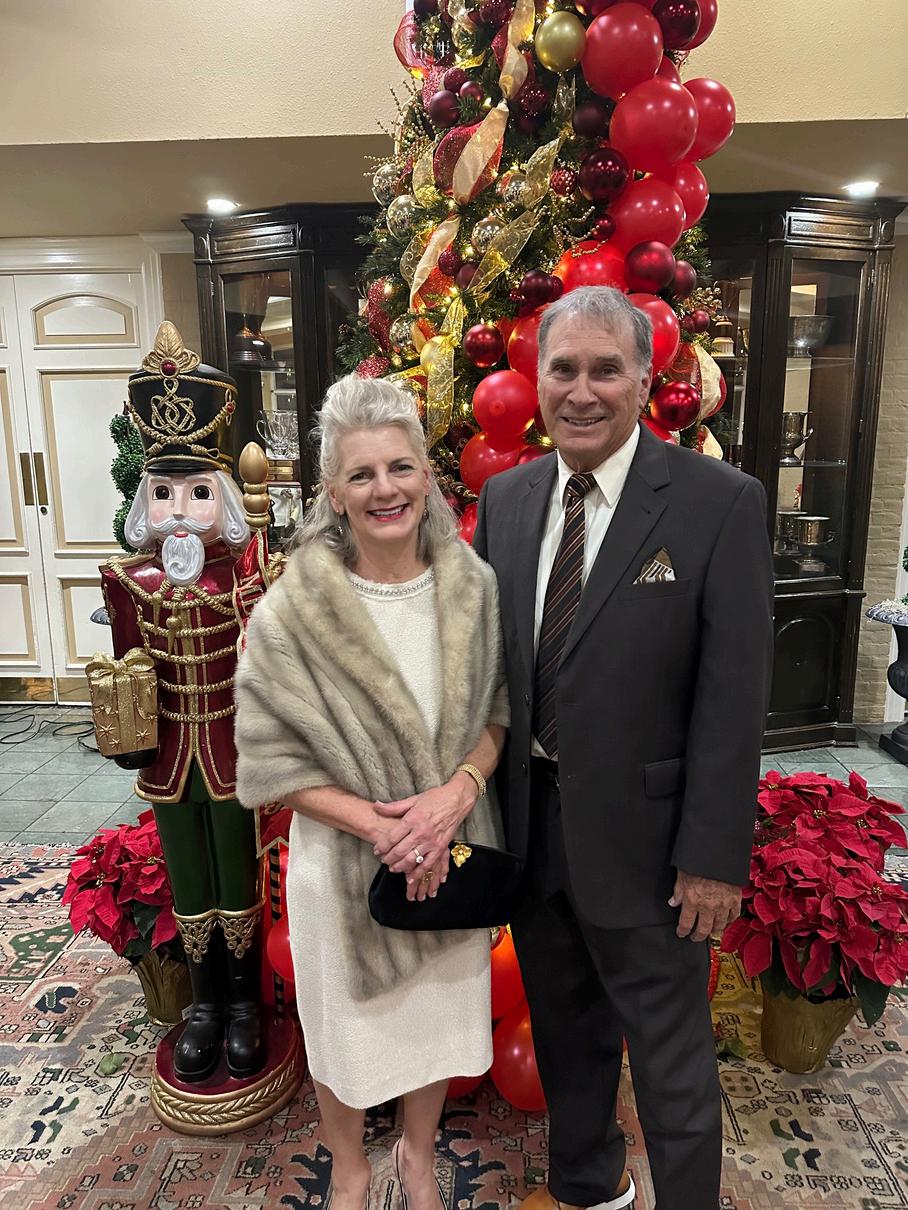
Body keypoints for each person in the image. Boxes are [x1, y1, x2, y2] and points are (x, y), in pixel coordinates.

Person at [473, 286, 774, 1210]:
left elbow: (734, 698)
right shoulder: (507, 498)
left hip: (655, 852)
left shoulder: (718, 503)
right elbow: (492, 669)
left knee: (673, 1065)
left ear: (646, 380)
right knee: (568, 1039)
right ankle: (590, 1188)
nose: (582, 391)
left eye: (607, 369)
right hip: (535, 833)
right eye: (563, 368)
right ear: (537, 379)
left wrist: (713, 857)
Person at [233, 373, 509, 1210]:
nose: (384, 489)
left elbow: (499, 716)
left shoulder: (473, 588)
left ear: (427, 476)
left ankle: (418, 1159)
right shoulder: (295, 609)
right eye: (361, 474)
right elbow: (269, 761)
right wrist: (387, 829)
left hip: (450, 852)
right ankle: (351, 1169)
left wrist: (457, 793)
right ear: (333, 493)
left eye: (399, 467)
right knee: (346, 1034)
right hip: (345, 865)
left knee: (434, 1024)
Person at [93, 321, 268, 1085]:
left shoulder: (249, 576)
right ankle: (203, 1003)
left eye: (197, 493)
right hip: (166, 757)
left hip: (233, 753)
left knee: (237, 874)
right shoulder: (130, 582)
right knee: (188, 878)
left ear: (220, 498)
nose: (178, 510)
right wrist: (123, 723)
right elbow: (128, 666)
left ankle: (245, 1004)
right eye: (164, 493)